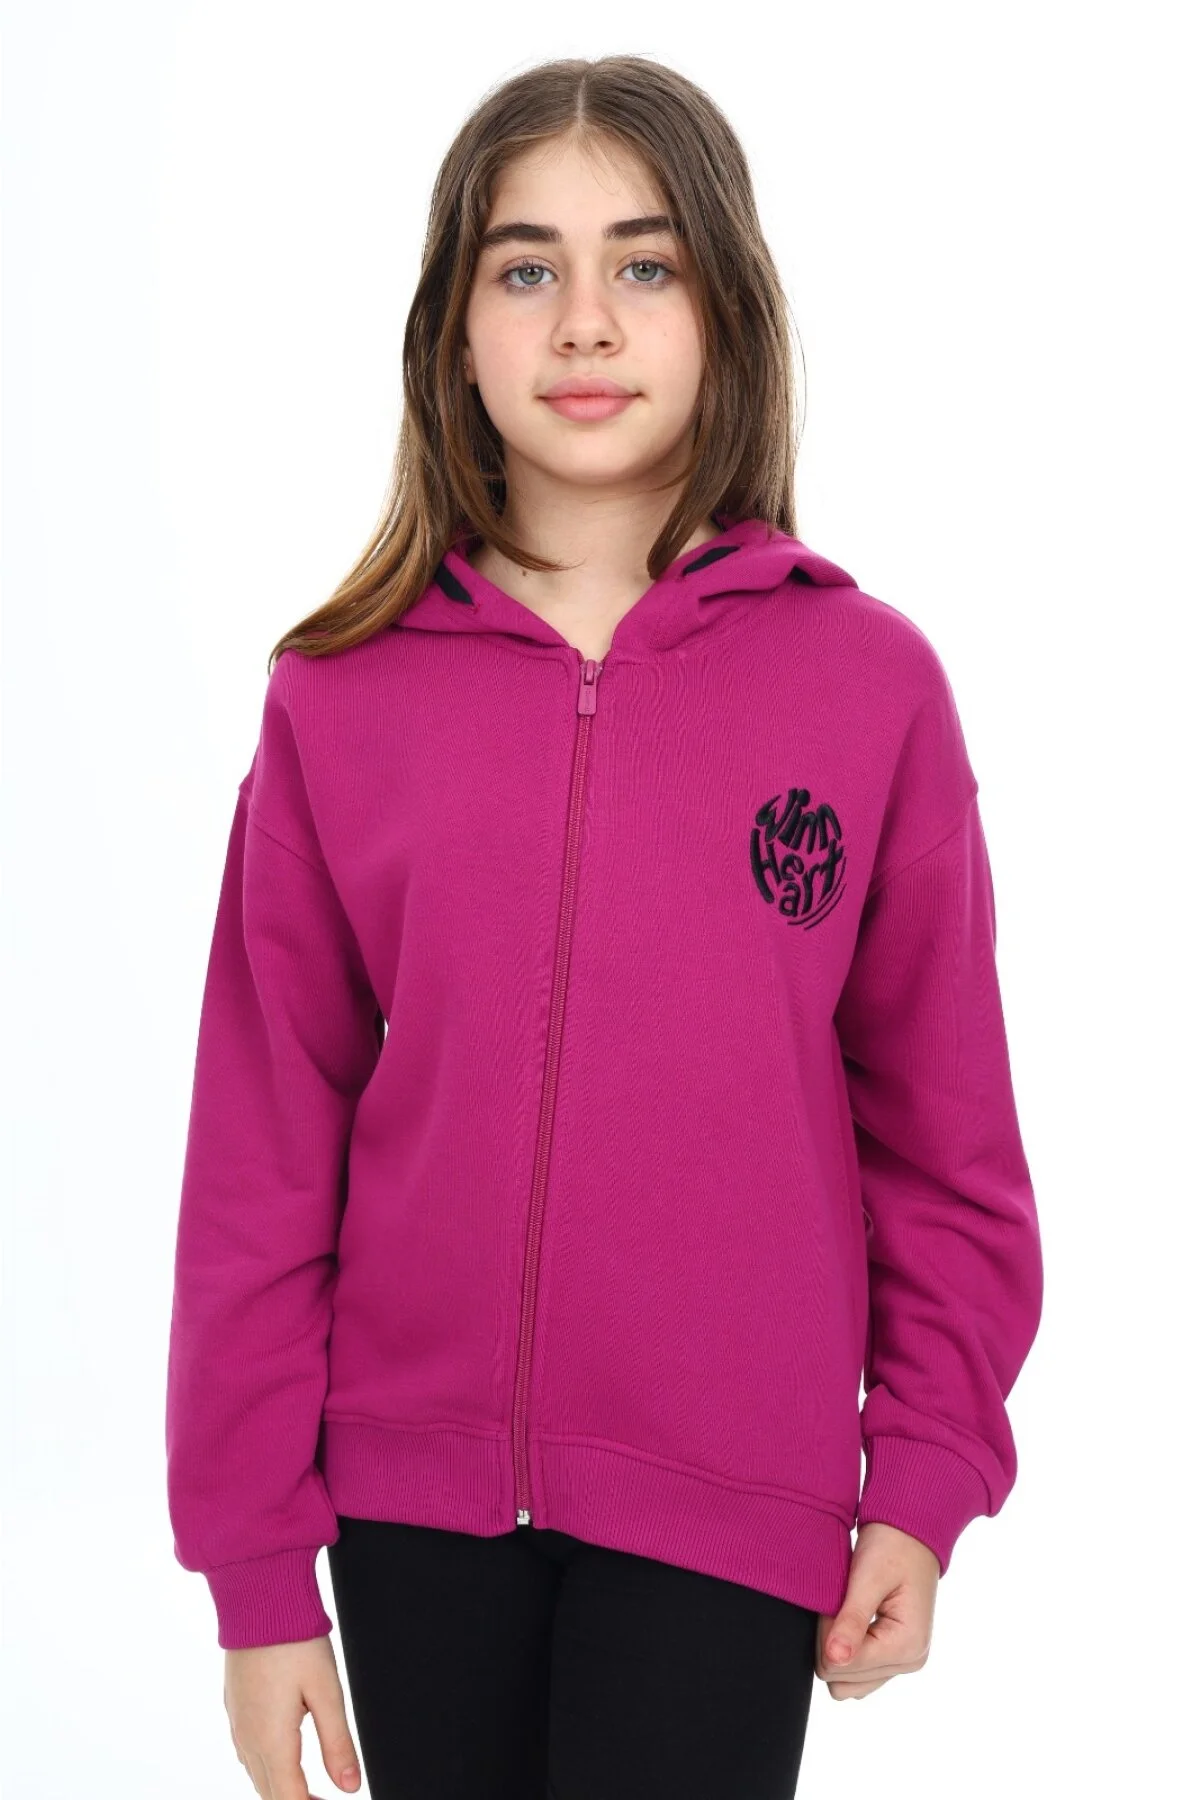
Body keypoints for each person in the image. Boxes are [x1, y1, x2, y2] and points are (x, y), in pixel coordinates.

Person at [165, 52, 1044, 1800]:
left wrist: (926, 1478)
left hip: (728, 1509)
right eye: (527, 268)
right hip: (410, 1513)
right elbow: (261, 1150)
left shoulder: (866, 687)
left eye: (645, 264)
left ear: (726, 313)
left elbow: (948, 1148)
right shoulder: (342, 697)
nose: (585, 321)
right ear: (455, 331)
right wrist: (257, 1574)